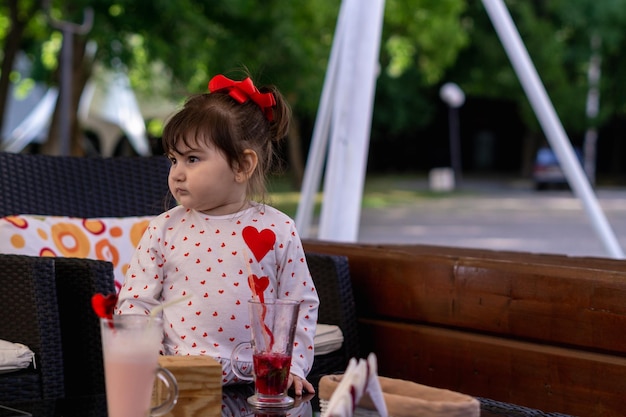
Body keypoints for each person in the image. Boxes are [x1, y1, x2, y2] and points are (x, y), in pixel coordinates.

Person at [115, 72, 319, 396]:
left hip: (261, 385)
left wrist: (292, 366)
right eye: (173, 159)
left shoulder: (278, 229)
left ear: (242, 165)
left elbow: (299, 305)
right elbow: (136, 303)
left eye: (192, 159)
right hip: (183, 384)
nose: (177, 173)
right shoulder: (164, 230)